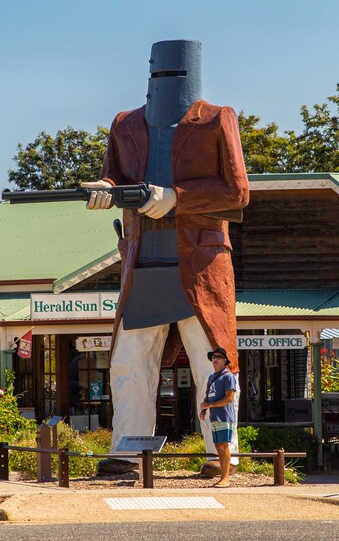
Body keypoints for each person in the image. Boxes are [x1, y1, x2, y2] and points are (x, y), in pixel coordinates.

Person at [82, 40, 249, 476]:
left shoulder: (218, 118)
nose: (163, 81)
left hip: (201, 266)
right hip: (142, 263)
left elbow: (237, 192)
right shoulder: (124, 124)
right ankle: (127, 452)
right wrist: (105, 188)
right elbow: (114, 175)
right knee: (129, 363)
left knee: (213, 365)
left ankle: (221, 456)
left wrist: (177, 197)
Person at [199, 347, 237, 487]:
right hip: (214, 416)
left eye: (219, 357)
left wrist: (209, 405)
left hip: (224, 416)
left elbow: (229, 399)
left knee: (223, 446)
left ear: (225, 360)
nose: (215, 359)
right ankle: (222, 477)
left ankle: (225, 478)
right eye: (214, 357)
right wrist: (204, 409)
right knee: (218, 446)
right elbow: (209, 395)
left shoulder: (228, 376)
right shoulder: (211, 377)